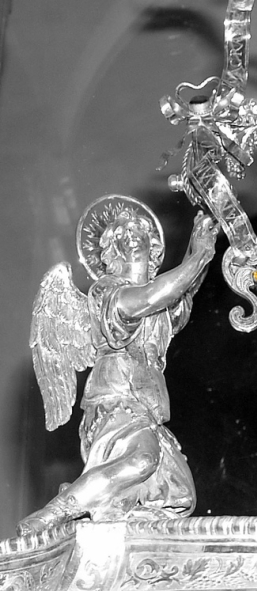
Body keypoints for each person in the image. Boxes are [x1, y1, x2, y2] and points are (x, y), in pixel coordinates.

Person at [19, 196, 218, 534]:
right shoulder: (107, 292)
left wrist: (200, 243)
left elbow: (182, 293)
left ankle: (123, 532)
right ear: (111, 251)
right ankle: (53, 513)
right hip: (115, 401)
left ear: (153, 245)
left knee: (178, 495)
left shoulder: (162, 302)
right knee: (141, 461)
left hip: (148, 408)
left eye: (137, 230)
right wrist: (198, 256)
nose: (131, 236)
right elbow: (152, 297)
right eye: (121, 234)